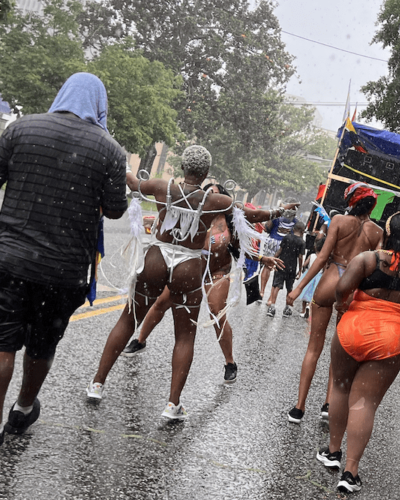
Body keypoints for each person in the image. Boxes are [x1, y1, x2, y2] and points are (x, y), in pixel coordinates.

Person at [88, 146, 297, 418]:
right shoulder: (216, 201)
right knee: (185, 335)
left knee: (127, 318)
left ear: (183, 167)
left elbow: (131, 182)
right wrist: (281, 210)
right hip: (189, 265)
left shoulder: (164, 187)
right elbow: (253, 214)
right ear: (206, 173)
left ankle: (97, 383)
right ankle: (172, 404)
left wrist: (120, 159)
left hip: (157, 257)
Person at [0, 73, 127, 443]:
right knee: (42, 344)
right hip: (64, 269)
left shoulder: (21, 130)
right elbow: (116, 209)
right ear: (100, 105)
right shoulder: (110, 151)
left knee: (3, 342)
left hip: (9, 260)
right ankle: (23, 408)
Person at [315, 212, 400, 492]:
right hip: (391, 341)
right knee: (365, 403)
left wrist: (341, 306)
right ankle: (350, 472)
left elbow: (342, 288)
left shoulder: (367, 259)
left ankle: (333, 452)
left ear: (388, 234)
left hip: (352, 330)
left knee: (340, 389)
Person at [121, 183, 285, 383]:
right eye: (208, 194)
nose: (212, 198)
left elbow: (239, 245)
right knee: (161, 302)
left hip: (217, 272)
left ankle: (230, 362)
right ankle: (140, 340)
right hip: (190, 271)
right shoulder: (193, 214)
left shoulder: (229, 219)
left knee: (217, 313)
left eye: (216, 195)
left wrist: (262, 259)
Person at [285, 182, 383, 424]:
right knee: (339, 354)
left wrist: (298, 289)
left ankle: (299, 408)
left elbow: (321, 258)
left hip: (329, 282)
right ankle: (329, 405)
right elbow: (375, 268)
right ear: (371, 204)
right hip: (351, 289)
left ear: (352, 200)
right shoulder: (377, 232)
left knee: (313, 349)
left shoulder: (338, 220)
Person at [259, 198, 299, 298]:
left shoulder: (276, 217)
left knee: (267, 266)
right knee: (279, 270)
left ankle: (262, 291)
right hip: (286, 246)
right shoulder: (295, 221)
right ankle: (271, 298)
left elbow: (267, 228)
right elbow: (295, 236)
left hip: (272, 242)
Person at [266, 220, 305, 317]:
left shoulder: (287, 237)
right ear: (303, 231)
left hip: (281, 264)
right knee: (289, 288)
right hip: (292, 267)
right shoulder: (302, 242)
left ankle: (272, 307)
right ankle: (287, 308)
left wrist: (273, 260)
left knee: (276, 286)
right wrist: (300, 269)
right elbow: (300, 257)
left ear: (293, 229)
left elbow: (280, 250)